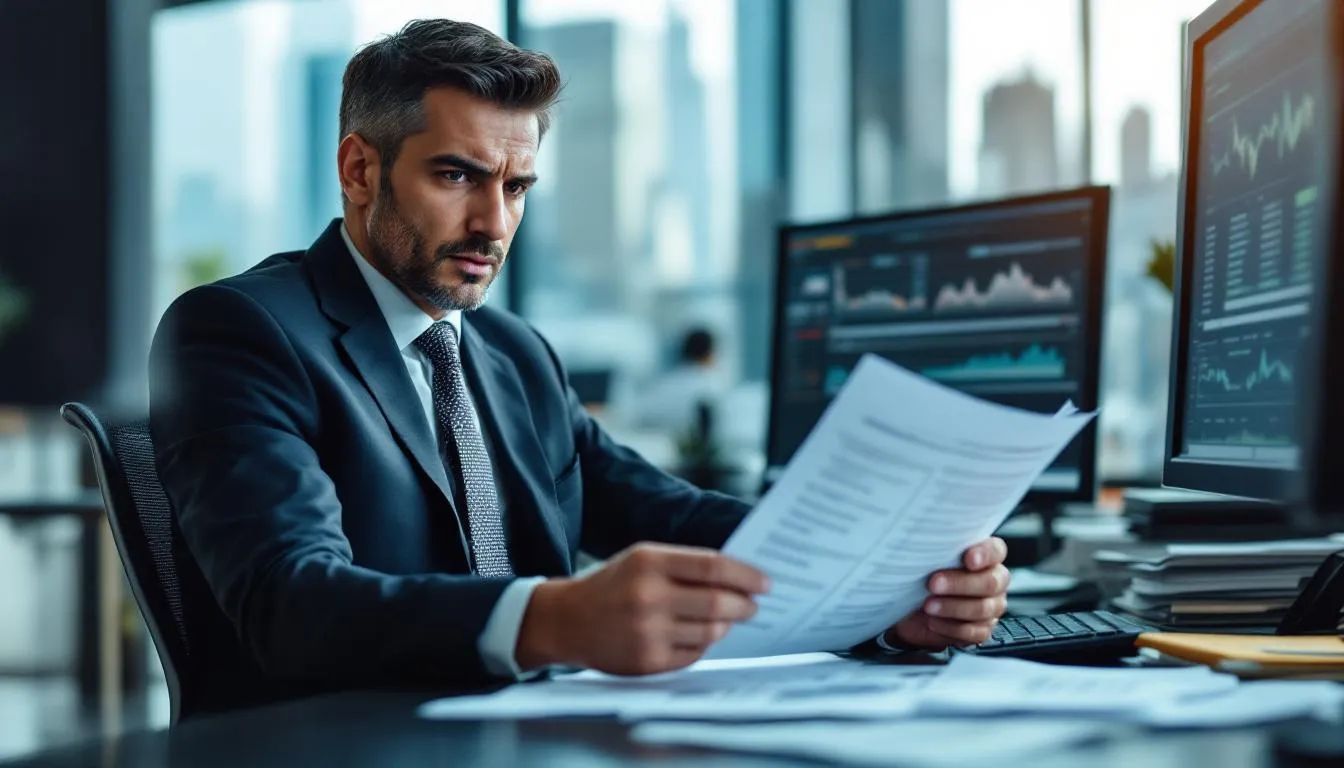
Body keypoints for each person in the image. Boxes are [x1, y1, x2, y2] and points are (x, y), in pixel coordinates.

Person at [149, 19, 1009, 690]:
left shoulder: (511, 354)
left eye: (515, 186)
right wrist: (549, 620)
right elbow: (290, 603)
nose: (494, 223)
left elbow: (665, 514)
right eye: (457, 176)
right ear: (360, 169)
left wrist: (892, 587)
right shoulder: (239, 332)